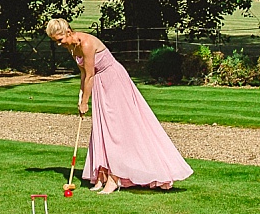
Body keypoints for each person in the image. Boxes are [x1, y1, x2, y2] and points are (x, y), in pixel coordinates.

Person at [46, 18, 192, 193]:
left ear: (68, 32)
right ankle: (103, 175)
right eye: (56, 41)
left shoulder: (85, 43)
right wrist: (80, 96)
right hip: (100, 84)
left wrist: (86, 102)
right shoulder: (72, 47)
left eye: (60, 40)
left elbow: (91, 74)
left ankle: (115, 178)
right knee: (102, 127)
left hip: (113, 80)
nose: (59, 44)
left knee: (115, 128)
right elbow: (84, 74)